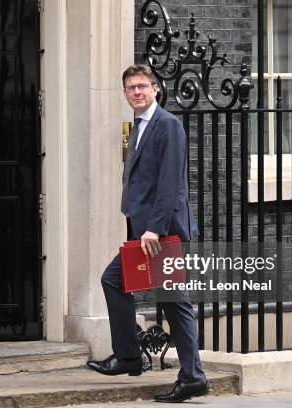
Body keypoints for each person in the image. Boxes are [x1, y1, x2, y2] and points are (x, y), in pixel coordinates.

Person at [86, 64, 208, 403]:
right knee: (116, 281)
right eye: (130, 88)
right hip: (145, 231)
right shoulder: (139, 125)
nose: (136, 92)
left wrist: (155, 227)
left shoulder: (168, 125)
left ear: (156, 89)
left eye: (142, 86)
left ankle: (191, 376)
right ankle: (129, 356)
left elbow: (170, 183)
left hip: (161, 232)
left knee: (173, 303)